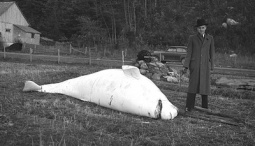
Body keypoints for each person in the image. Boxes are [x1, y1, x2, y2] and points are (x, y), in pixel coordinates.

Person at [183, 18, 215, 112]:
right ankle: (189, 107)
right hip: (195, 65)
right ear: (197, 29)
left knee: (204, 86)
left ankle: (205, 108)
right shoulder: (192, 38)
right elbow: (189, 52)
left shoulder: (210, 38)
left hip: (205, 66)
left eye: (203, 27)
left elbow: (212, 53)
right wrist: (186, 66)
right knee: (192, 86)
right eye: (199, 28)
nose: (201, 29)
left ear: (206, 28)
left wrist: (212, 65)